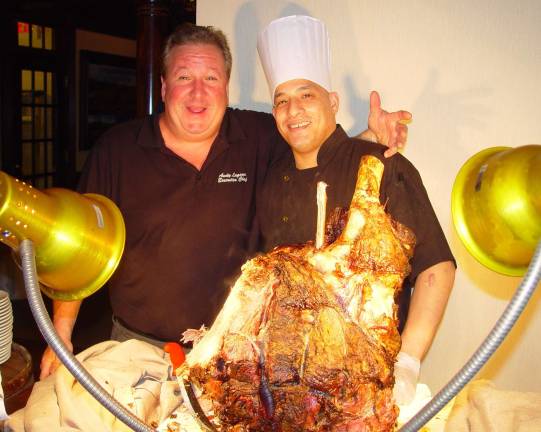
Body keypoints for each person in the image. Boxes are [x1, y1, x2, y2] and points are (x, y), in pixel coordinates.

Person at [40, 23, 411, 379]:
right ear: (165, 86)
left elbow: (313, 157)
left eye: (211, 79)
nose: (198, 93)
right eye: (185, 77)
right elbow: (80, 247)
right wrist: (61, 335)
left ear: (227, 87)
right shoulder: (117, 150)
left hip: (236, 352)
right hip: (137, 349)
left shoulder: (258, 135)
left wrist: (368, 137)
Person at [256, 15, 456, 406]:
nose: (292, 109)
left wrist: (409, 363)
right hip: (287, 383)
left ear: (332, 102)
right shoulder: (271, 180)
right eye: (281, 101)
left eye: (306, 95)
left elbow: (436, 267)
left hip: (367, 378)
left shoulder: (381, 165)